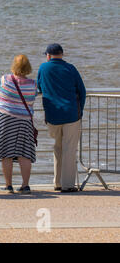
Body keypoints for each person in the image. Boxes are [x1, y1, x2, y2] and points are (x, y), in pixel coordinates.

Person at [37, 43, 86, 193]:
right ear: (62, 54)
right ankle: (68, 185)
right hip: (71, 114)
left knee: (57, 148)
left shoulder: (43, 68)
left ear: (48, 56)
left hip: (52, 115)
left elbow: (39, 86)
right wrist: (80, 111)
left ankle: (57, 182)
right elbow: (82, 91)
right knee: (69, 149)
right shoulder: (70, 68)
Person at [0, 55, 38, 194]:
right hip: (24, 120)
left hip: (6, 118)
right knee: (25, 154)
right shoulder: (32, 84)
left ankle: (8, 185)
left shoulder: (5, 79)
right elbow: (33, 97)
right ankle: (25, 185)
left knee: (6, 153)